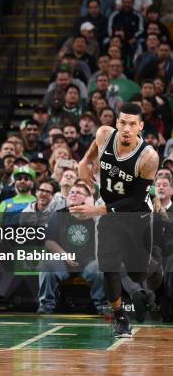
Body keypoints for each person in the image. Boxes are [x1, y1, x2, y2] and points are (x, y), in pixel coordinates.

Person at [76, 103, 159, 338]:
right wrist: (85, 161)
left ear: (140, 127)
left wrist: (99, 210)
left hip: (136, 216)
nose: (126, 128)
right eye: (122, 122)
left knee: (137, 275)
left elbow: (134, 200)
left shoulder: (149, 157)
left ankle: (153, 268)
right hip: (108, 215)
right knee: (109, 268)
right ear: (116, 123)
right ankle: (120, 317)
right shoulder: (104, 134)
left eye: (132, 124)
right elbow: (95, 146)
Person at [37, 181, 105, 314]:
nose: (73, 194)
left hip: (88, 262)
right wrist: (64, 255)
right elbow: (49, 241)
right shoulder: (58, 214)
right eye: (72, 192)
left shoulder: (94, 216)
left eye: (79, 193)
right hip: (63, 261)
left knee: (101, 265)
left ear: (87, 198)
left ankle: (102, 305)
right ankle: (46, 306)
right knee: (46, 263)